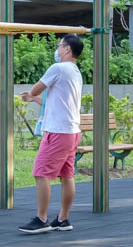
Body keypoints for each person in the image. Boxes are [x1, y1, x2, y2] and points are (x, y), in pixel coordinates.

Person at [18, 34, 84, 233]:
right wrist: (33, 99)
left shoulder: (58, 68)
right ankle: (63, 219)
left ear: (67, 50)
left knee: (41, 173)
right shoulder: (75, 71)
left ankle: (42, 218)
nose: (57, 49)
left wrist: (32, 94)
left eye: (59, 46)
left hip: (58, 131)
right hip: (71, 131)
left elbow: (37, 89)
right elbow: (54, 100)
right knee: (66, 175)